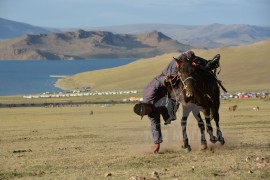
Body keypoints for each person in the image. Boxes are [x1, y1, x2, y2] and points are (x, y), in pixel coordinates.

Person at [133, 50, 220, 153]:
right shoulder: (151, 113)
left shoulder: (149, 93)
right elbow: (155, 127)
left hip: (168, 77)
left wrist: (165, 80)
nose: (148, 113)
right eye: (146, 114)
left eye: (147, 111)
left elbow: (156, 81)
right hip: (171, 96)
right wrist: (157, 143)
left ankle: (209, 64)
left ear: (145, 104)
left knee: (188, 60)